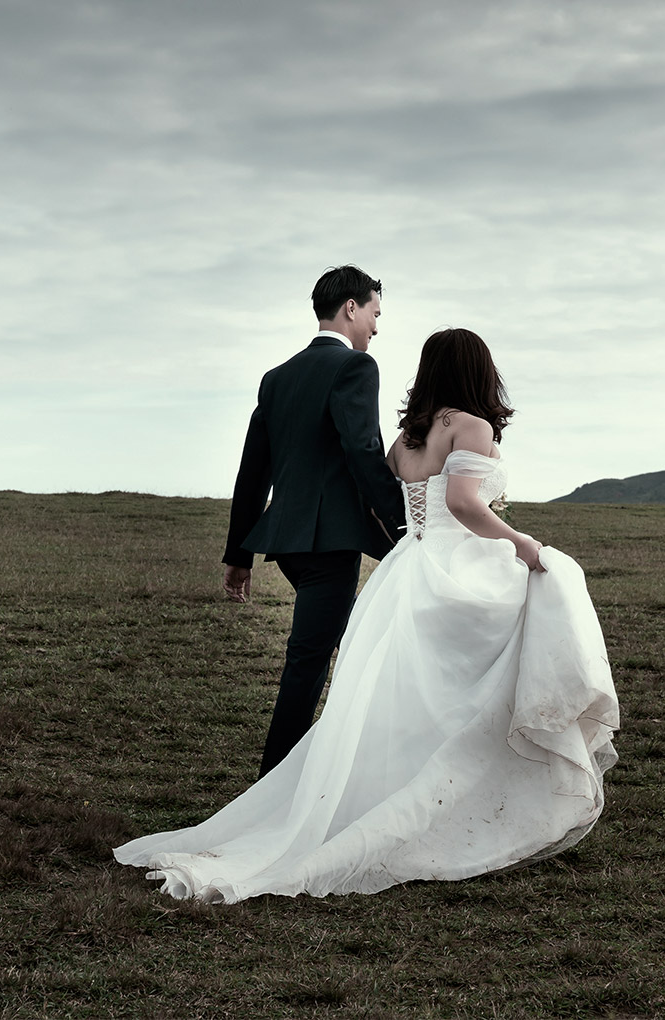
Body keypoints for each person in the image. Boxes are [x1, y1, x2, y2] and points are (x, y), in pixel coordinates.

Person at [115, 328, 619, 902]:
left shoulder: (406, 440)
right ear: (480, 370)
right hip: (464, 563)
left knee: (411, 694)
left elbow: (386, 499)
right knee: (542, 599)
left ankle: (415, 788)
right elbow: (461, 503)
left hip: (410, 566)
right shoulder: (472, 425)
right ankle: (481, 790)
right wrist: (520, 541)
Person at [220, 265, 407, 777]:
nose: (376, 326)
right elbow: (363, 452)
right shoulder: (356, 370)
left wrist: (240, 556)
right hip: (329, 545)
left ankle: (356, 772)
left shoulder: (277, 377)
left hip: (291, 546)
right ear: (352, 308)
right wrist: (407, 527)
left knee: (360, 656)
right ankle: (273, 790)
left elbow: (252, 471)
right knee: (308, 664)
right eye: (374, 312)